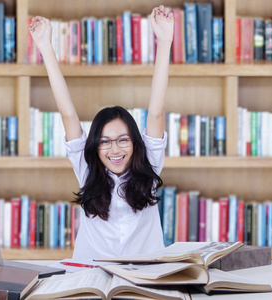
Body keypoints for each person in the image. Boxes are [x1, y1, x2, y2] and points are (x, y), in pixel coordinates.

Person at [29, 6, 174, 259]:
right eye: (105, 142)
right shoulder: (87, 168)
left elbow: (157, 112)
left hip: (144, 281)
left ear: (135, 143)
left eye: (122, 140)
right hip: (91, 279)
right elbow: (68, 114)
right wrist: (45, 47)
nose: (114, 150)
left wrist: (164, 42)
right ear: (95, 146)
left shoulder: (149, 166)